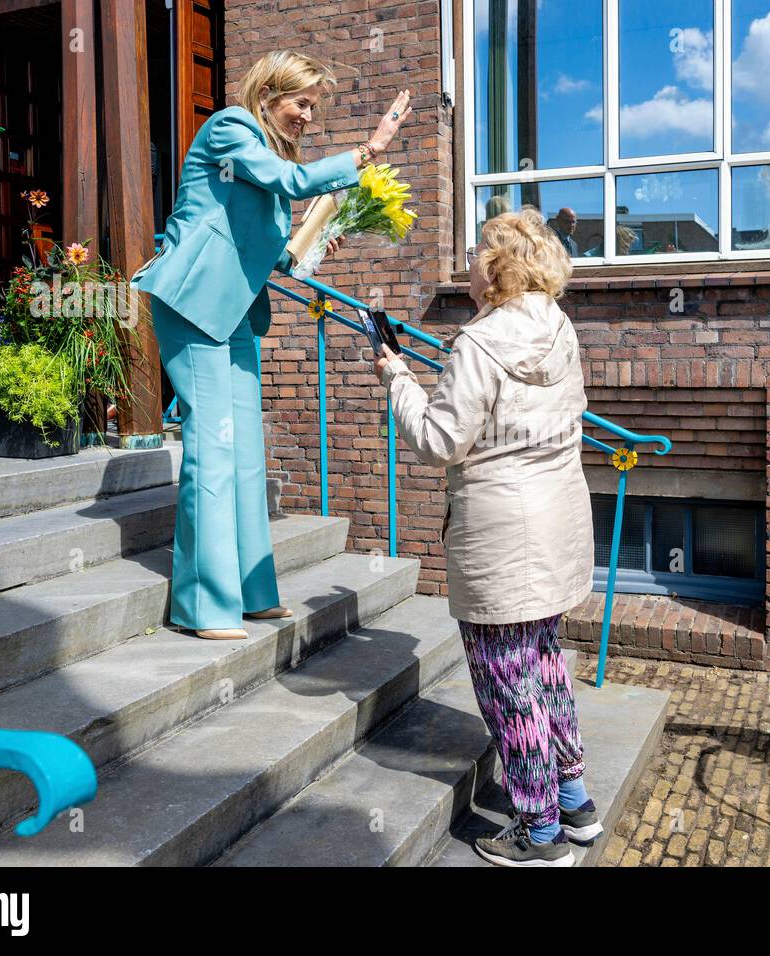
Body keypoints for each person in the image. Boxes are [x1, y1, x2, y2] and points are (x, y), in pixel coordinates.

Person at [132, 51, 411, 640]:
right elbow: (287, 181)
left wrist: (303, 251)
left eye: (314, 106)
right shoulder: (232, 127)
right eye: (301, 103)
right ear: (269, 94)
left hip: (232, 310)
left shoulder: (263, 156)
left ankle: (253, 593)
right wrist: (370, 150)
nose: (308, 116)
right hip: (192, 303)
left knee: (244, 453)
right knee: (210, 451)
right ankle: (203, 606)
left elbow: (262, 242)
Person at [373, 208, 599, 866]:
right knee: (546, 662)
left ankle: (539, 830)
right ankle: (575, 800)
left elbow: (442, 440)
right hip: (558, 521)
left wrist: (398, 379)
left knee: (507, 679)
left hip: (502, 535)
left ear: (498, 264)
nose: (470, 262)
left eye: (478, 252)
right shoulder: (559, 327)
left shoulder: (479, 342)